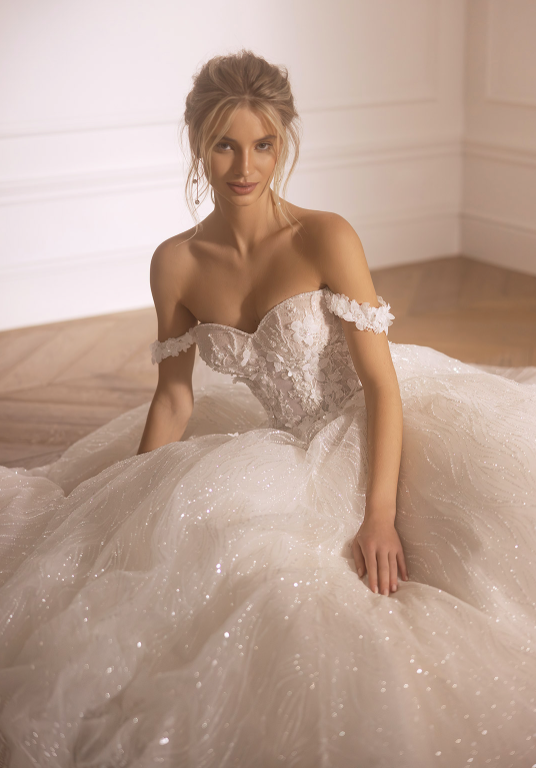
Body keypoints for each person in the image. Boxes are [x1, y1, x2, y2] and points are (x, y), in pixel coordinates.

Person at [0, 50, 535, 767]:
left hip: (373, 422)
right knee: (193, 553)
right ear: (198, 144)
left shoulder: (325, 237)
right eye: (224, 144)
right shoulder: (176, 263)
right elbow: (174, 396)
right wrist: (130, 502)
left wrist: (380, 515)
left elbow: (381, 386)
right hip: (285, 443)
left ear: (284, 141)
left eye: (263, 144)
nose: (244, 166)